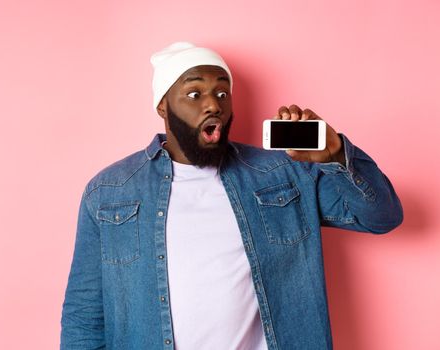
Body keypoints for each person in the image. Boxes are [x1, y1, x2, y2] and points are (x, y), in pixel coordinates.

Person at [60, 41, 403, 350]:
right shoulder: (110, 191)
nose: (213, 104)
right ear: (163, 105)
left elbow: (381, 216)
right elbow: (84, 318)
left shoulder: (284, 172)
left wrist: (335, 154)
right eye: (194, 94)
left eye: (222, 94)